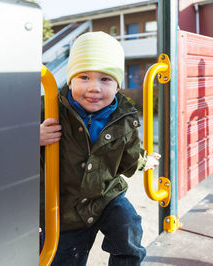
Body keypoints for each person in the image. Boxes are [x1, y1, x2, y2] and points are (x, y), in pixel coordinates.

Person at [40, 31, 160, 266]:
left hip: (105, 197)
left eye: (105, 79)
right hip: (64, 210)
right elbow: (9, 141)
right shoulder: (51, 110)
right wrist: (33, 136)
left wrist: (145, 161)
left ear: (117, 86)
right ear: (70, 80)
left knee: (129, 227)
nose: (94, 87)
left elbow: (130, 155)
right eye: (84, 77)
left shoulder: (124, 118)